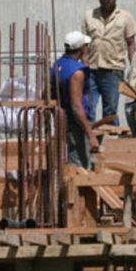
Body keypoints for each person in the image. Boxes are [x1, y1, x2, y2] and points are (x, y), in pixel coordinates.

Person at [81, 0, 136, 125]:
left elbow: (131, 44)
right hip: (92, 70)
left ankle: (111, 144)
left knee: (110, 110)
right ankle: (91, 143)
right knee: (88, 109)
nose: (105, 0)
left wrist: (134, 68)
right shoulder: (89, 16)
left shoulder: (125, 17)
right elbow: (84, 45)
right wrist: (84, 65)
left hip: (113, 71)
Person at [50, 31, 100, 168]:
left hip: (62, 121)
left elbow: (47, 93)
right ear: (82, 48)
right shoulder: (77, 72)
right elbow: (76, 107)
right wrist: (90, 134)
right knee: (80, 167)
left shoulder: (57, 65)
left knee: (72, 162)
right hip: (75, 124)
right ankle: (76, 190)